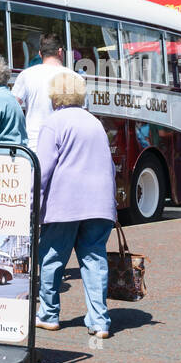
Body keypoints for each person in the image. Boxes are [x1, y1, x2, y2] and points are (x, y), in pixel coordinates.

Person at [35, 70, 116, 338]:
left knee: (52, 257)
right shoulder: (95, 122)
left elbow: (42, 170)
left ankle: (48, 314)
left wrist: (30, 200)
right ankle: (99, 320)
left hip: (64, 204)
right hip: (99, 203)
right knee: (94, 259)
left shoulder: (54, 123)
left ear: (54, 96)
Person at [12, 31, 68, 148]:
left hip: (35, 145)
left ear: (40, 54)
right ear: (60, 52)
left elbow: (12, 107)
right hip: (65, 147)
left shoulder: (26, 75)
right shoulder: (75, 79)